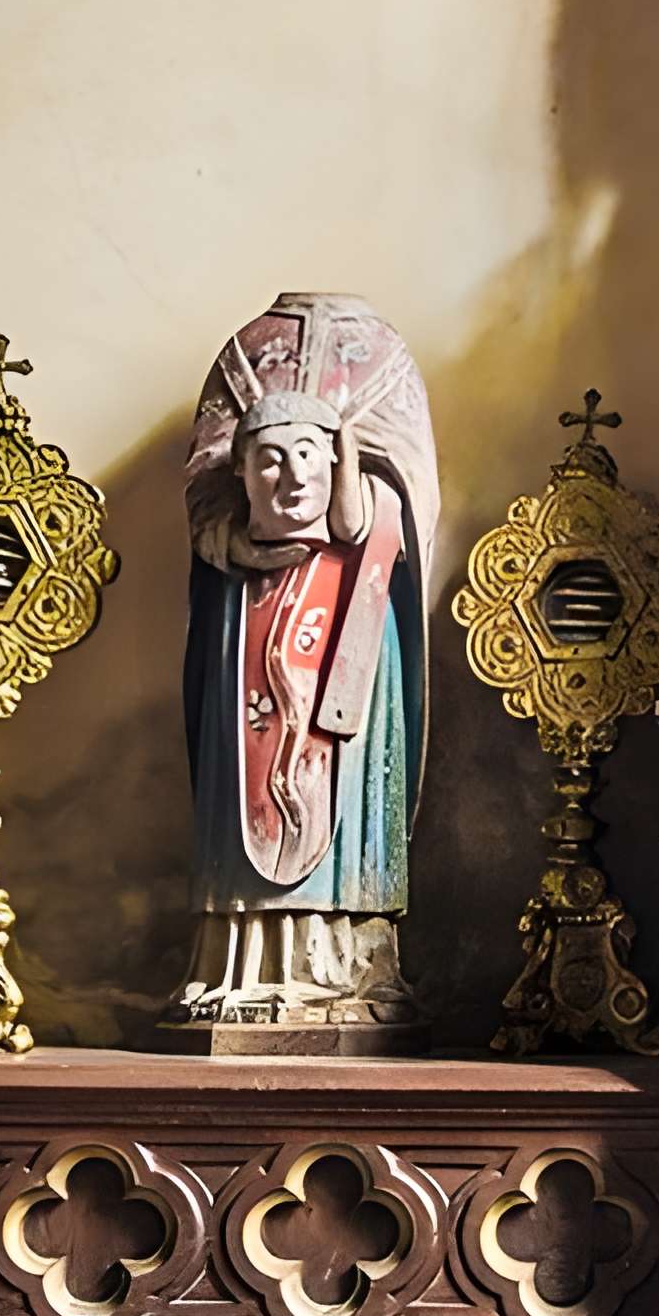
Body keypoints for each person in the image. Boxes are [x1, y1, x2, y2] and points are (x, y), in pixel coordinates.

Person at [166, 294, 438, 1044]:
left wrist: (360, 499)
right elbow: (204, 483)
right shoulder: (243, 353)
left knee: (338, 771)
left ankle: (347, 965)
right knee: (250, 760)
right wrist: (231, 540)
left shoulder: (386, 355)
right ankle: (238, 966)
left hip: (354, 602)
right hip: (248, 601)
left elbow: (410, 486)